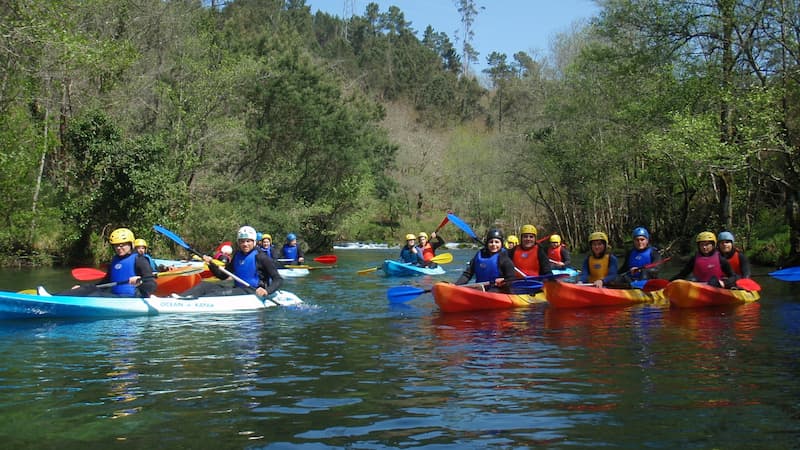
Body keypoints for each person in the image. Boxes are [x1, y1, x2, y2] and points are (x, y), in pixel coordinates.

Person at [178, 226, 283, 297]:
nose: (245, 244)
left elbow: (278, 279)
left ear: (254, 242)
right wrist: (211, 264)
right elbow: (223, 276)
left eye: (248, 241)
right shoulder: (237, 255)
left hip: (253, 292)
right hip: (238, 290)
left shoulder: (262, 257)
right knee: (205, 285)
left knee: (215, 293)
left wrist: (266, 291)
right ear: (238, 242)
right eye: (242, 241)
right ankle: (178, 298)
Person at [58, 228, 156, 297]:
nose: (118, 248)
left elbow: (151, 285)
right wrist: (81, 288)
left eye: (122, 245)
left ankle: (57, 298)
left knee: (94, 294)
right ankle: (54, 297)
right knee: (89, 289)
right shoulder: (115, 260)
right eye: (116, 246)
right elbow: (105, 283)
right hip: (116, 297)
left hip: (133, 298)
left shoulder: (140, 260)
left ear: (131, 244)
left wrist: (140, 282)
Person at [670, 231, 738, 288]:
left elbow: (733, 276)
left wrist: (724, 283)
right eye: (702, 245)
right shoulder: (694, 259)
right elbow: (682, 274)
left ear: (713, 245)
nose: (704, 247)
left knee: (713, 281)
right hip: (700, 286)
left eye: (707, 244)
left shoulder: (721, 259)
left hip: (716, 286)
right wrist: (669, 282)